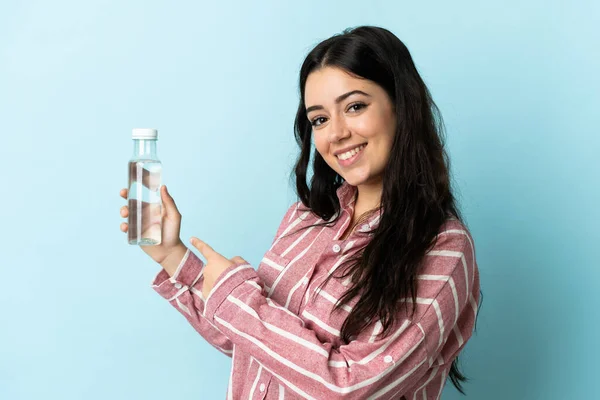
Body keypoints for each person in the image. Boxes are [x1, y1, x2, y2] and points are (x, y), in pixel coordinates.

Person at [119, 25, 481, 400]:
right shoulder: (305, 218)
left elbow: (350, 388)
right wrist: (173, 255)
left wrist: (237, 295)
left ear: (401, 106)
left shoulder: (443, 250)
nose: (336, 133)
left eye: (355, 107)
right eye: (320, 119)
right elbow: (255, 346)